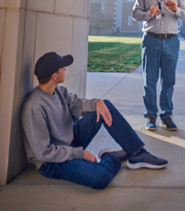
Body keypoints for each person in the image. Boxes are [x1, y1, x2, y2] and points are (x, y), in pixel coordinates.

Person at [21, 52, 168, 190]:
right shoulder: (34, 107)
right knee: (100, 178)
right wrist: (80, 154)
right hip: (52, 162)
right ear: (54, 75)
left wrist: (97, 103)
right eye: (62, 68)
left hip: (71, 141)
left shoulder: (58, 91)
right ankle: (112, 158)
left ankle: (137, 152)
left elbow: (77, 104)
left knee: (105, 107)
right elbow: (43, 152)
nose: (65, 69)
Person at [132, 0, 185, 131]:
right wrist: (147, 14)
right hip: (151, 40)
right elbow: (135, 14)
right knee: (149, 79)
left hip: (171, 41)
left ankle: (166, 115)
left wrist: (175, 9)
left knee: (168, 81)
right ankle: (151, 116)